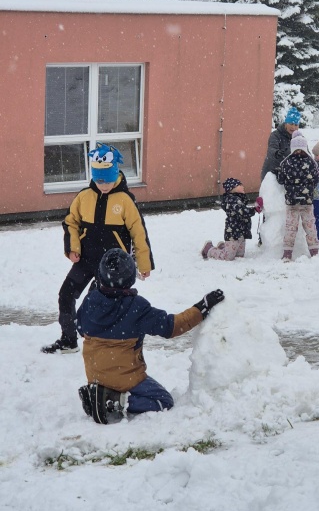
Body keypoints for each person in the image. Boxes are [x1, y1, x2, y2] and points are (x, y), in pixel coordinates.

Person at [77, 248, 225, 424]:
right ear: (130, 277)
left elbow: (79, 327)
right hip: (125, 377)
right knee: (163, 401)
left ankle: (99, 394)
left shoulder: (90, 300)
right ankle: (112, 401)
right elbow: (171, 327)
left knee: (132, 386)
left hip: (94, 373)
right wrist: (200, 309)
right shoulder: (135, 307)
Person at [42, 143, 154, 355]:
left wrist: (144, 263)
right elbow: (70, 222)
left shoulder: (125, 200)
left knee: (98, 303)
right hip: (86, 260)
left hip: (112, 268)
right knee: (66, 294)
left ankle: (101, 343)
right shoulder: (84, 197)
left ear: (116, 174)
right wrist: (73, 248)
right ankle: (68, 339)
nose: (103, 185)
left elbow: (139, 233)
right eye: (99, 180)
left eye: (108, 180)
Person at [276, 131, 319, 261]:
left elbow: (280, 180)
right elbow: (316, 179)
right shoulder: (311, 162)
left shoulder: (286, 162)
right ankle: (314, 251)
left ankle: (287, 253)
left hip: (292, 202)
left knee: (290, 228)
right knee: (310, 227)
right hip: (307, 202)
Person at [201, 177, 264, 260]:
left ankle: (223, 247)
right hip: (234, 232)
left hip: (242, 231)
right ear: (232, 188)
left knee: (239, 255)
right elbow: (242, 211)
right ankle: (209, 249)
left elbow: (243, 209)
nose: (242, 186)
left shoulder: (240, 199)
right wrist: (255, 209)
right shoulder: (231, 200)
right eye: (239, 185)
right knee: (228, 257)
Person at [260, 107, 301, 181]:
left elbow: (306, 152)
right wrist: (276, 153)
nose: (293, 127)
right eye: (291, 124)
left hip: (288, 175)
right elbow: (271, 149)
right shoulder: (276, 135)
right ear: (286, 123)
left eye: (296, 125)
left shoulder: (299, 138)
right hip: (272, 173)